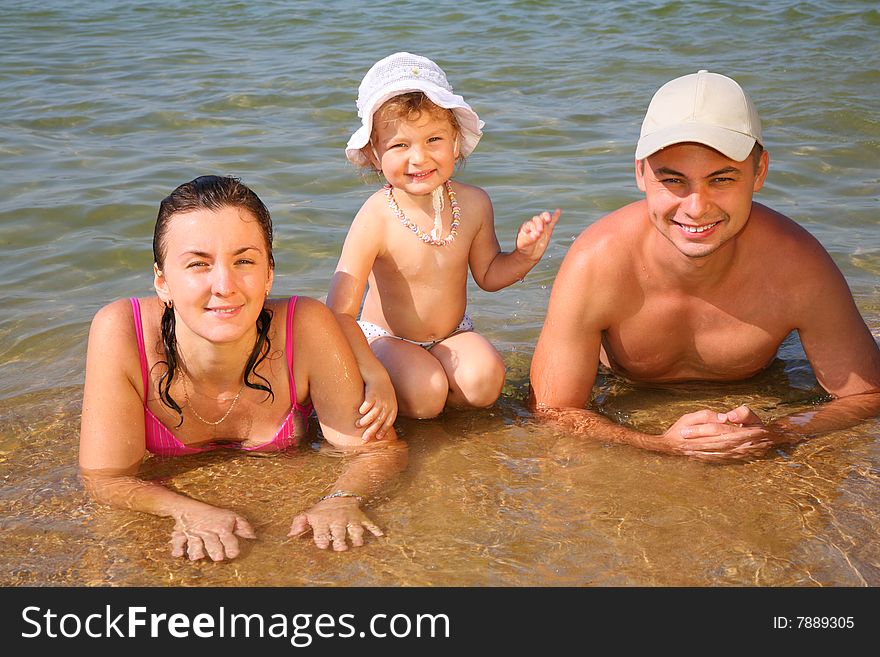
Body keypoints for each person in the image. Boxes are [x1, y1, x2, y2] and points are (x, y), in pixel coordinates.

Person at [530, 70, 880, 463]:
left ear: (759, 171)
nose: (696, 208)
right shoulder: (596, 262)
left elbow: (866, 396)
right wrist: (660, 445)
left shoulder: (798, 265)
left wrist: (778, 432)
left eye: (722, 179)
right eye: (674, 180)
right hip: (623, 388)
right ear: (641, 172)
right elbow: (553, 412)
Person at [79, 176, 406, 561]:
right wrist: (184, 509)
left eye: (244, 261)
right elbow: (105, 477)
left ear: (269, 273)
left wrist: (341, 498)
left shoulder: (306, 325)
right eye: (198, 264)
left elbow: (377, 452)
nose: (224, 284)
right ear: (163, 282)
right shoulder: (120, 331)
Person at [329, 52, 560, 423]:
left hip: (453, 333)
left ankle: (450, 434)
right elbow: (339, 310)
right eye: (399, 145)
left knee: (485, 382)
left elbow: (488, 274)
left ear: (455, 142)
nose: (418, 158)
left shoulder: (474, 203)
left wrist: (524, 256)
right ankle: (415, 395)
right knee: (425, 394)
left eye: (433, 139)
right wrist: (369, 373)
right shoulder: (376, 216)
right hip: (388, 339)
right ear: (375, 155)